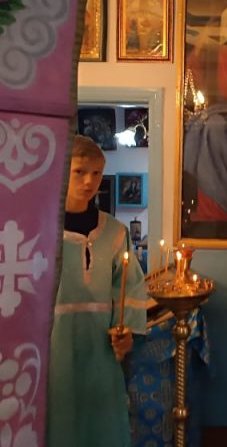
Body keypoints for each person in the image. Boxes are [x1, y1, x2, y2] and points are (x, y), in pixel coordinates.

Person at [48, 136, 147, 447]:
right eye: (79, 171)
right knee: (57, 422)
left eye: (96, 173)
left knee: (102, 425)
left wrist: (125, 332)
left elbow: (130, 287)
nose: (89, 181)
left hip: (101, 348)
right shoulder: (41, 228)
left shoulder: (115, 232)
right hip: (53, 346)